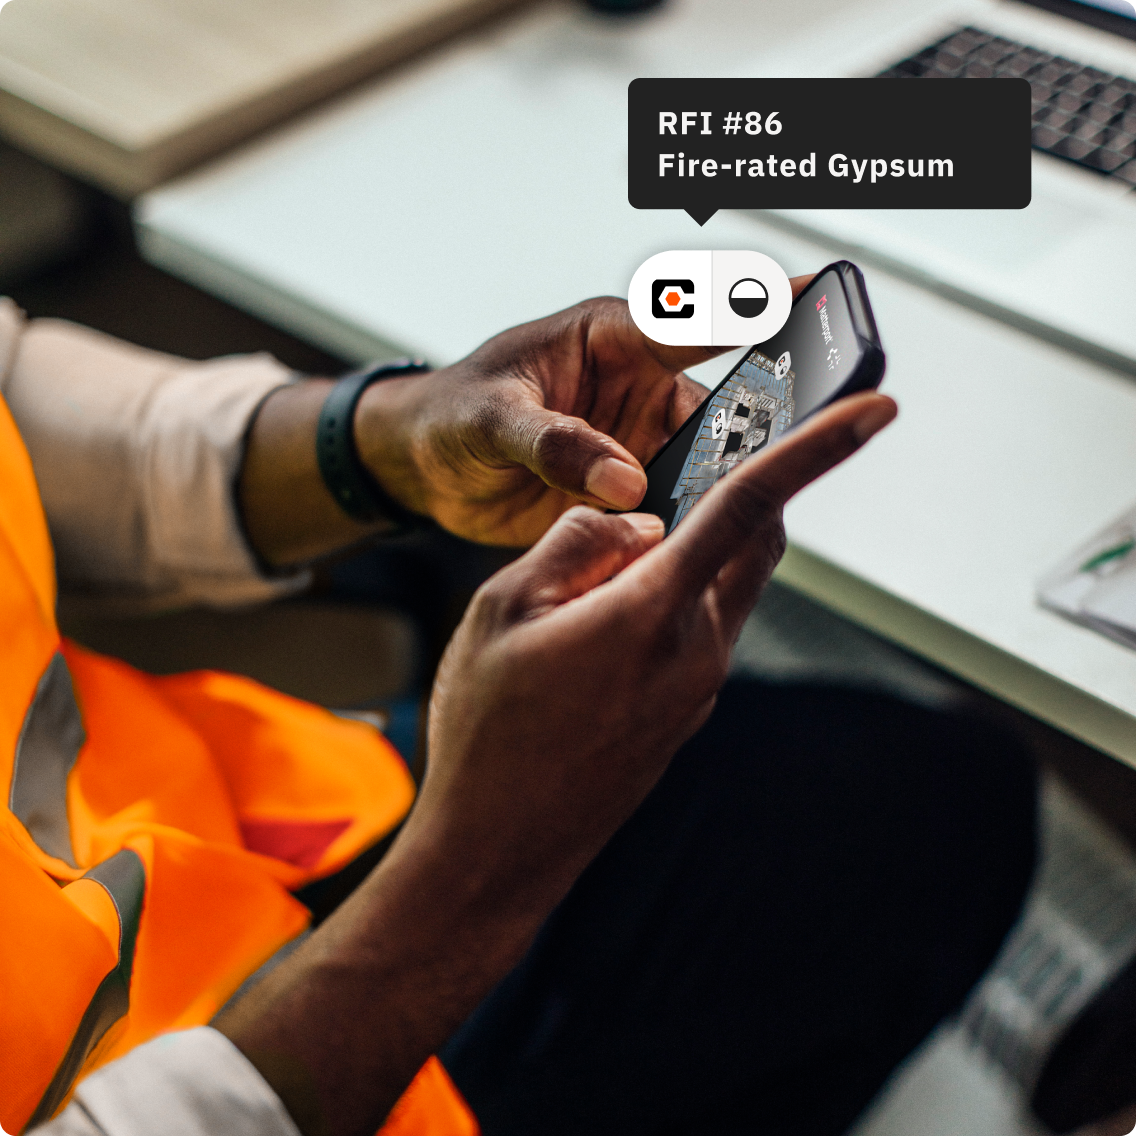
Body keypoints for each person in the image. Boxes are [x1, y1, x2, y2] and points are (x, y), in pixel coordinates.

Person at [0, 281, 1112, 1136]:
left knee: (928, 799)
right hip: (258, 1062)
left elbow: (22, 407)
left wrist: (390, 440)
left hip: (257, 806)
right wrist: (480, 876)